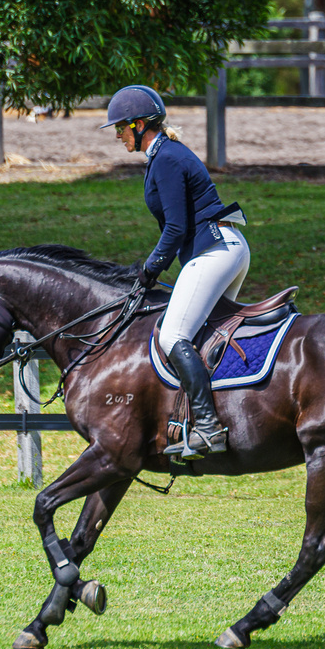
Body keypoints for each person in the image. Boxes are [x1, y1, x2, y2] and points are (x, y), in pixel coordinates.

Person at [101, 84, 250, 460]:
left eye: (120, 128)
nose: (118, 136)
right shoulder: (165, 155)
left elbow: (176, 229)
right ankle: (209, 418)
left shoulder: (165, 159)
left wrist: (150, 268)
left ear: (138, 125)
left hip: (214, 251)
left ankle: (209, 429)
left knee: (172, 335)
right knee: (202, 337)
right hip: (227, 248)